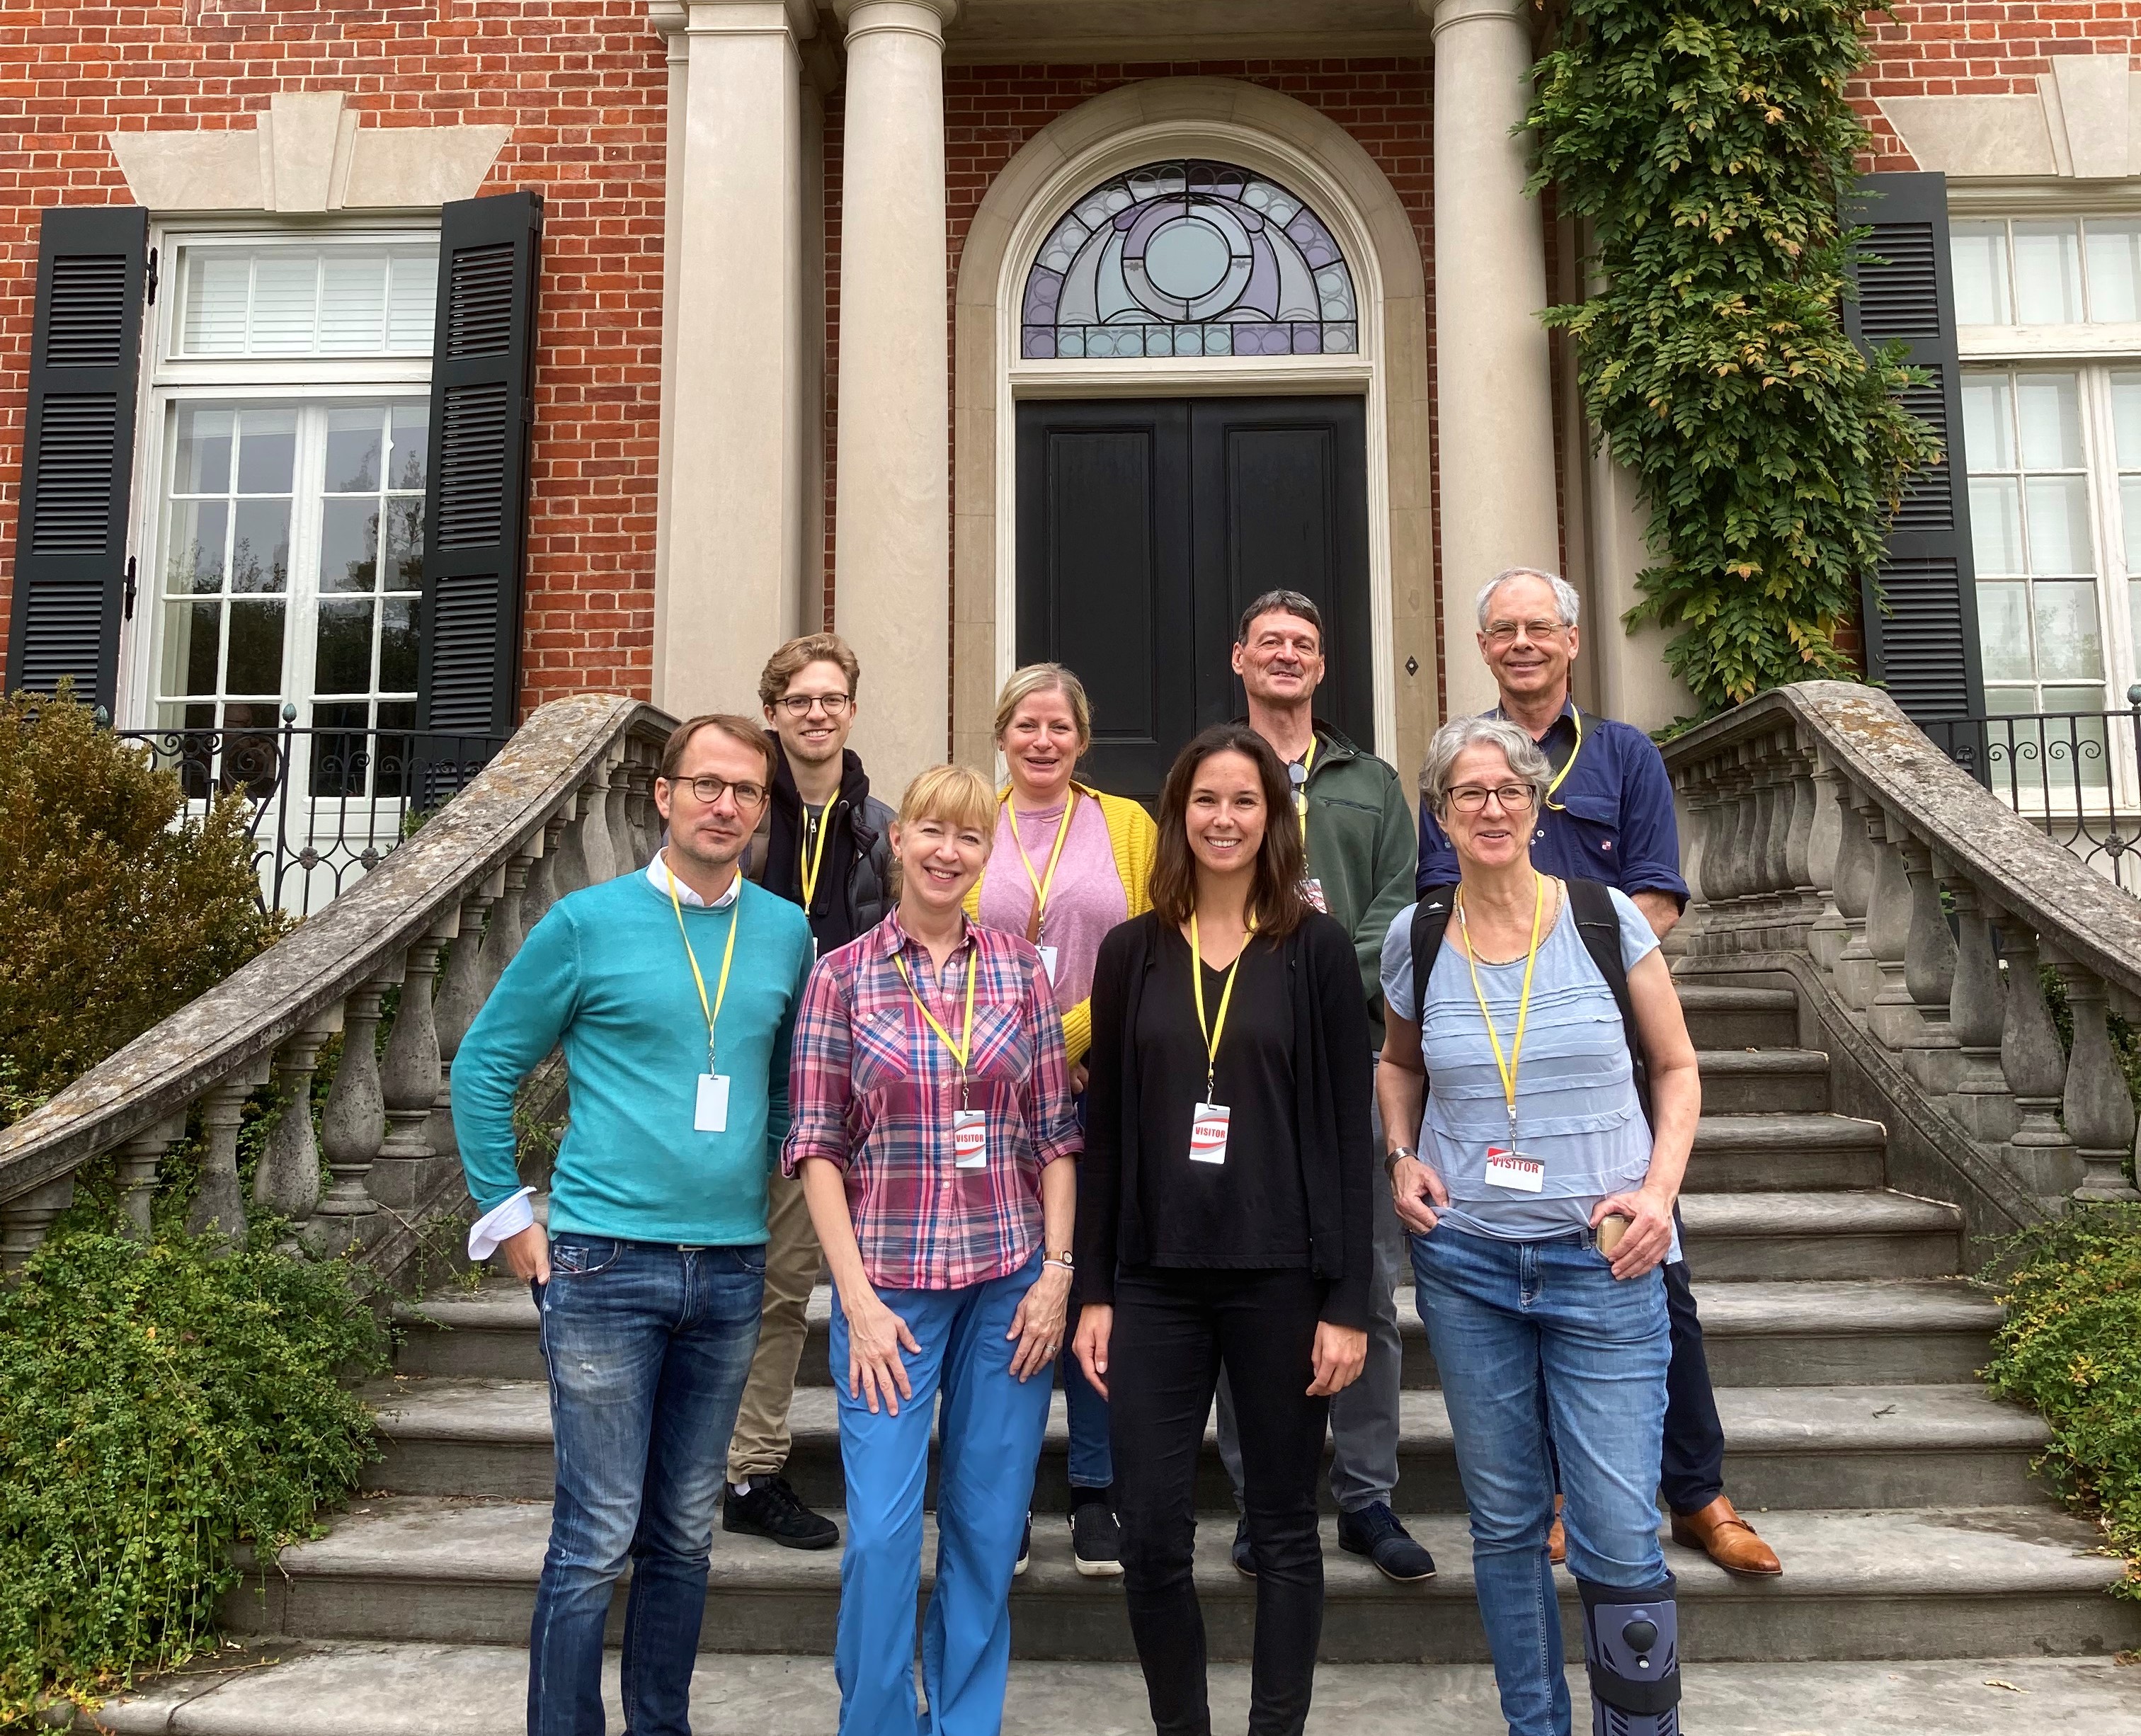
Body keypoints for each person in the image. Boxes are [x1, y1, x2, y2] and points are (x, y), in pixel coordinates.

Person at [453, 713, 813, 1736]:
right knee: (596, 1537)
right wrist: (507, 1215)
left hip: (731, 1270)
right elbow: (483, 1064)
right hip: (605, 1264)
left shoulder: (786, 933)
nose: (724, 806)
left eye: (745, 792)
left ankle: (661, 1723)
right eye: (706, 785)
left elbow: (782, 1089)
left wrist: (761, 1177)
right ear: (663, 796)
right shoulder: (585, 923)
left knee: (685, 1535)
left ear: (762, 809)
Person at [1418, 566, 1779, 1580]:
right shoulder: (1463, 763)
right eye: (1504, 629)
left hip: (1603, 1051)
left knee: (1654, 1277)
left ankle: (1698, 1492)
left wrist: (1580, 957)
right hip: (1494, 1052)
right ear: (1483, 647)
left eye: (1540, 627)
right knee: (1524, 1286)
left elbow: (1656, 895)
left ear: (1572, 641)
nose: (1522, 643)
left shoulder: (1625, 756)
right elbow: (1442, 899)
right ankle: (1567, 1492)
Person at [1379, 714, 1702, 1736]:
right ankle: (1536, 1726)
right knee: (1507, 1524)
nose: (1491, 808)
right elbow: (1398, 1066)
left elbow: (1677, 1069)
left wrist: (1658, 1194)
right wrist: (1401, 1155)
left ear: (1535, 807)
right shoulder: (1417, 936)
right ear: (1441, 816)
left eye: (1509, 790)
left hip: (1605, 1264)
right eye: (1467, 794)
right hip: (1469, 1264)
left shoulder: (1607, 918)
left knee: (1616, 1532)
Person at [1075, 724, 1374, 1736]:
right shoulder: (1130, 952)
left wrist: (1347, 1301)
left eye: (1245, 800)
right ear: (1178, 813)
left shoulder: (1316, 950)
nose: (1224, 818)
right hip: (1154, 1279)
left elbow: (1348, 1135)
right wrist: (1095, 1290)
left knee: (1284, 1532)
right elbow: (1107, 1132)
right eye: (1206, 799)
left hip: (1281, 1278)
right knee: (1152, 1535)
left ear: (1273, 818)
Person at [784, 763, 1080, 1736]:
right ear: (898, 840)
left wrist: (1057, 1275)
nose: (948, 853)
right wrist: (855, 1300)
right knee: (879, 1534)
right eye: (933, 832)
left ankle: (962, 1720)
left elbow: (1055, 1137)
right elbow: (817, 1149)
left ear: (985, 855)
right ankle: (876, 1721)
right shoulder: (840, 977)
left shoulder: (1021, 972)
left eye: (969, 837)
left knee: (988, 1529)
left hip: (1008, 1288)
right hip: (890, 1295)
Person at [1216, 588, 1432, 1584]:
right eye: (1270, 642)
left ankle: (1368, 1496)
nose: (1286, 655)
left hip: (1353, 1058)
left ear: (1322, 663)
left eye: (1303, 643)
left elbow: (1401, 905)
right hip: (1240, 1059)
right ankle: (1262, 1498)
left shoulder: (1373, 783)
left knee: (1367, 1281)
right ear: (1239, 659)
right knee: (1247, 1282)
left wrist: (1312, 970)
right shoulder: (1217, 773)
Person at [964, 661, 1157, 1577]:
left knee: (1092, 1285)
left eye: (1060, 727)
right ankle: (1001, 1498)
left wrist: (1072, 1040)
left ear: (1083, 739)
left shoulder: (1128, 826)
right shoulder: (973, 819)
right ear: (1001, 735)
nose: (1043, 741)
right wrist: (1034, 1053)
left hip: (1105, 1085)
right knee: (1009, 1285)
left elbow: (1154, 949)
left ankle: (1094, 1489)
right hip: (991, 1091)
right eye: (1026, 725)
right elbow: (948, 952)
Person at [724, 632, 894, 1553]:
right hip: (739, 1081)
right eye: (799, 700)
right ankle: (702, 1466)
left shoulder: (885, 829)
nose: (817, 714)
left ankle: (756, 1470)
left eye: (832, 699)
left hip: (841, 1095)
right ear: (774, 713)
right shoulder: (739, 818)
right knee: (723, 1280)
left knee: (796, 1286)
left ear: (853, 711)